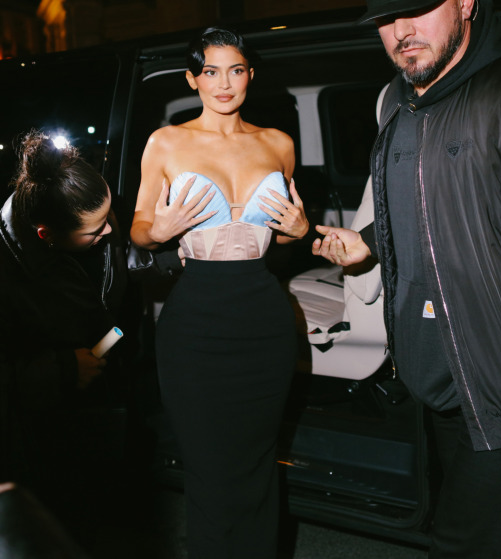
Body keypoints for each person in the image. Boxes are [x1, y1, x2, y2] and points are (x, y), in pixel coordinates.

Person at [312, 0, 501, 557]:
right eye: (385, 19)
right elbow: (430, 208)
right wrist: (371, 243)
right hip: (439, 385)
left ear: (466, 2)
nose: (401, 30)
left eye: (419, 7)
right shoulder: (397, 103)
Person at [130, 27, 309, 559]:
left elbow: (282, 233)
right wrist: (158, 232)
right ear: (193, 79)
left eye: (235, 70)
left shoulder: (278, 143)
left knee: (259, 460)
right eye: (210, 72)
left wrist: (299, 232)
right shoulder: (166, 142)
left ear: (250, 75)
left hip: (264, 316)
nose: (224, 83)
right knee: (209, 467)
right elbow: (139, 226)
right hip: (196, 322)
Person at [0, 130, 128, 541]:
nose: (108, 232)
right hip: (34, 441)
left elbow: (123, 266)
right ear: (47, 235)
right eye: (95, 231)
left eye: (109, 217)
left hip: (96, 415)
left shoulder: (91, 214)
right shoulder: (6, 270)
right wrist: (62, 370)